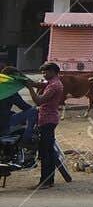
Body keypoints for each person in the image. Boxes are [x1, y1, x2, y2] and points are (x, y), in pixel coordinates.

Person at [30, 61, 65, 189]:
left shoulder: (53, 86)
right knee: (49, 151)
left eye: (46, 72)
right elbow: (40, 84)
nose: (44, 74)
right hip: (50, 119)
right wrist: (32, 84)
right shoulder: (53, 83)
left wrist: (29, 88)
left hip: (47, 119)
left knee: (45, 151)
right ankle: (49, 180)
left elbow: (39, 101)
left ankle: (45, 181)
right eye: (42, 72)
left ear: (53, 72)